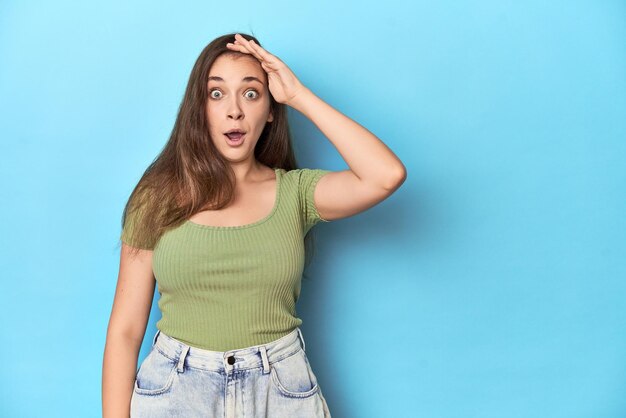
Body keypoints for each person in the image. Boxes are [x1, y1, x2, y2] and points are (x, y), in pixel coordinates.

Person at [102, 32, 406, 418]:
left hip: (279, 389)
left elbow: (386, 175)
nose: (234, 111)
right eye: (216, 94)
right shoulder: (157, 197)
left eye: (251, 93)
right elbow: (125, 332)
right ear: (199, 108)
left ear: (270, 109)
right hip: (177, 391)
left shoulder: (296, 193)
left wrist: (298, 95)